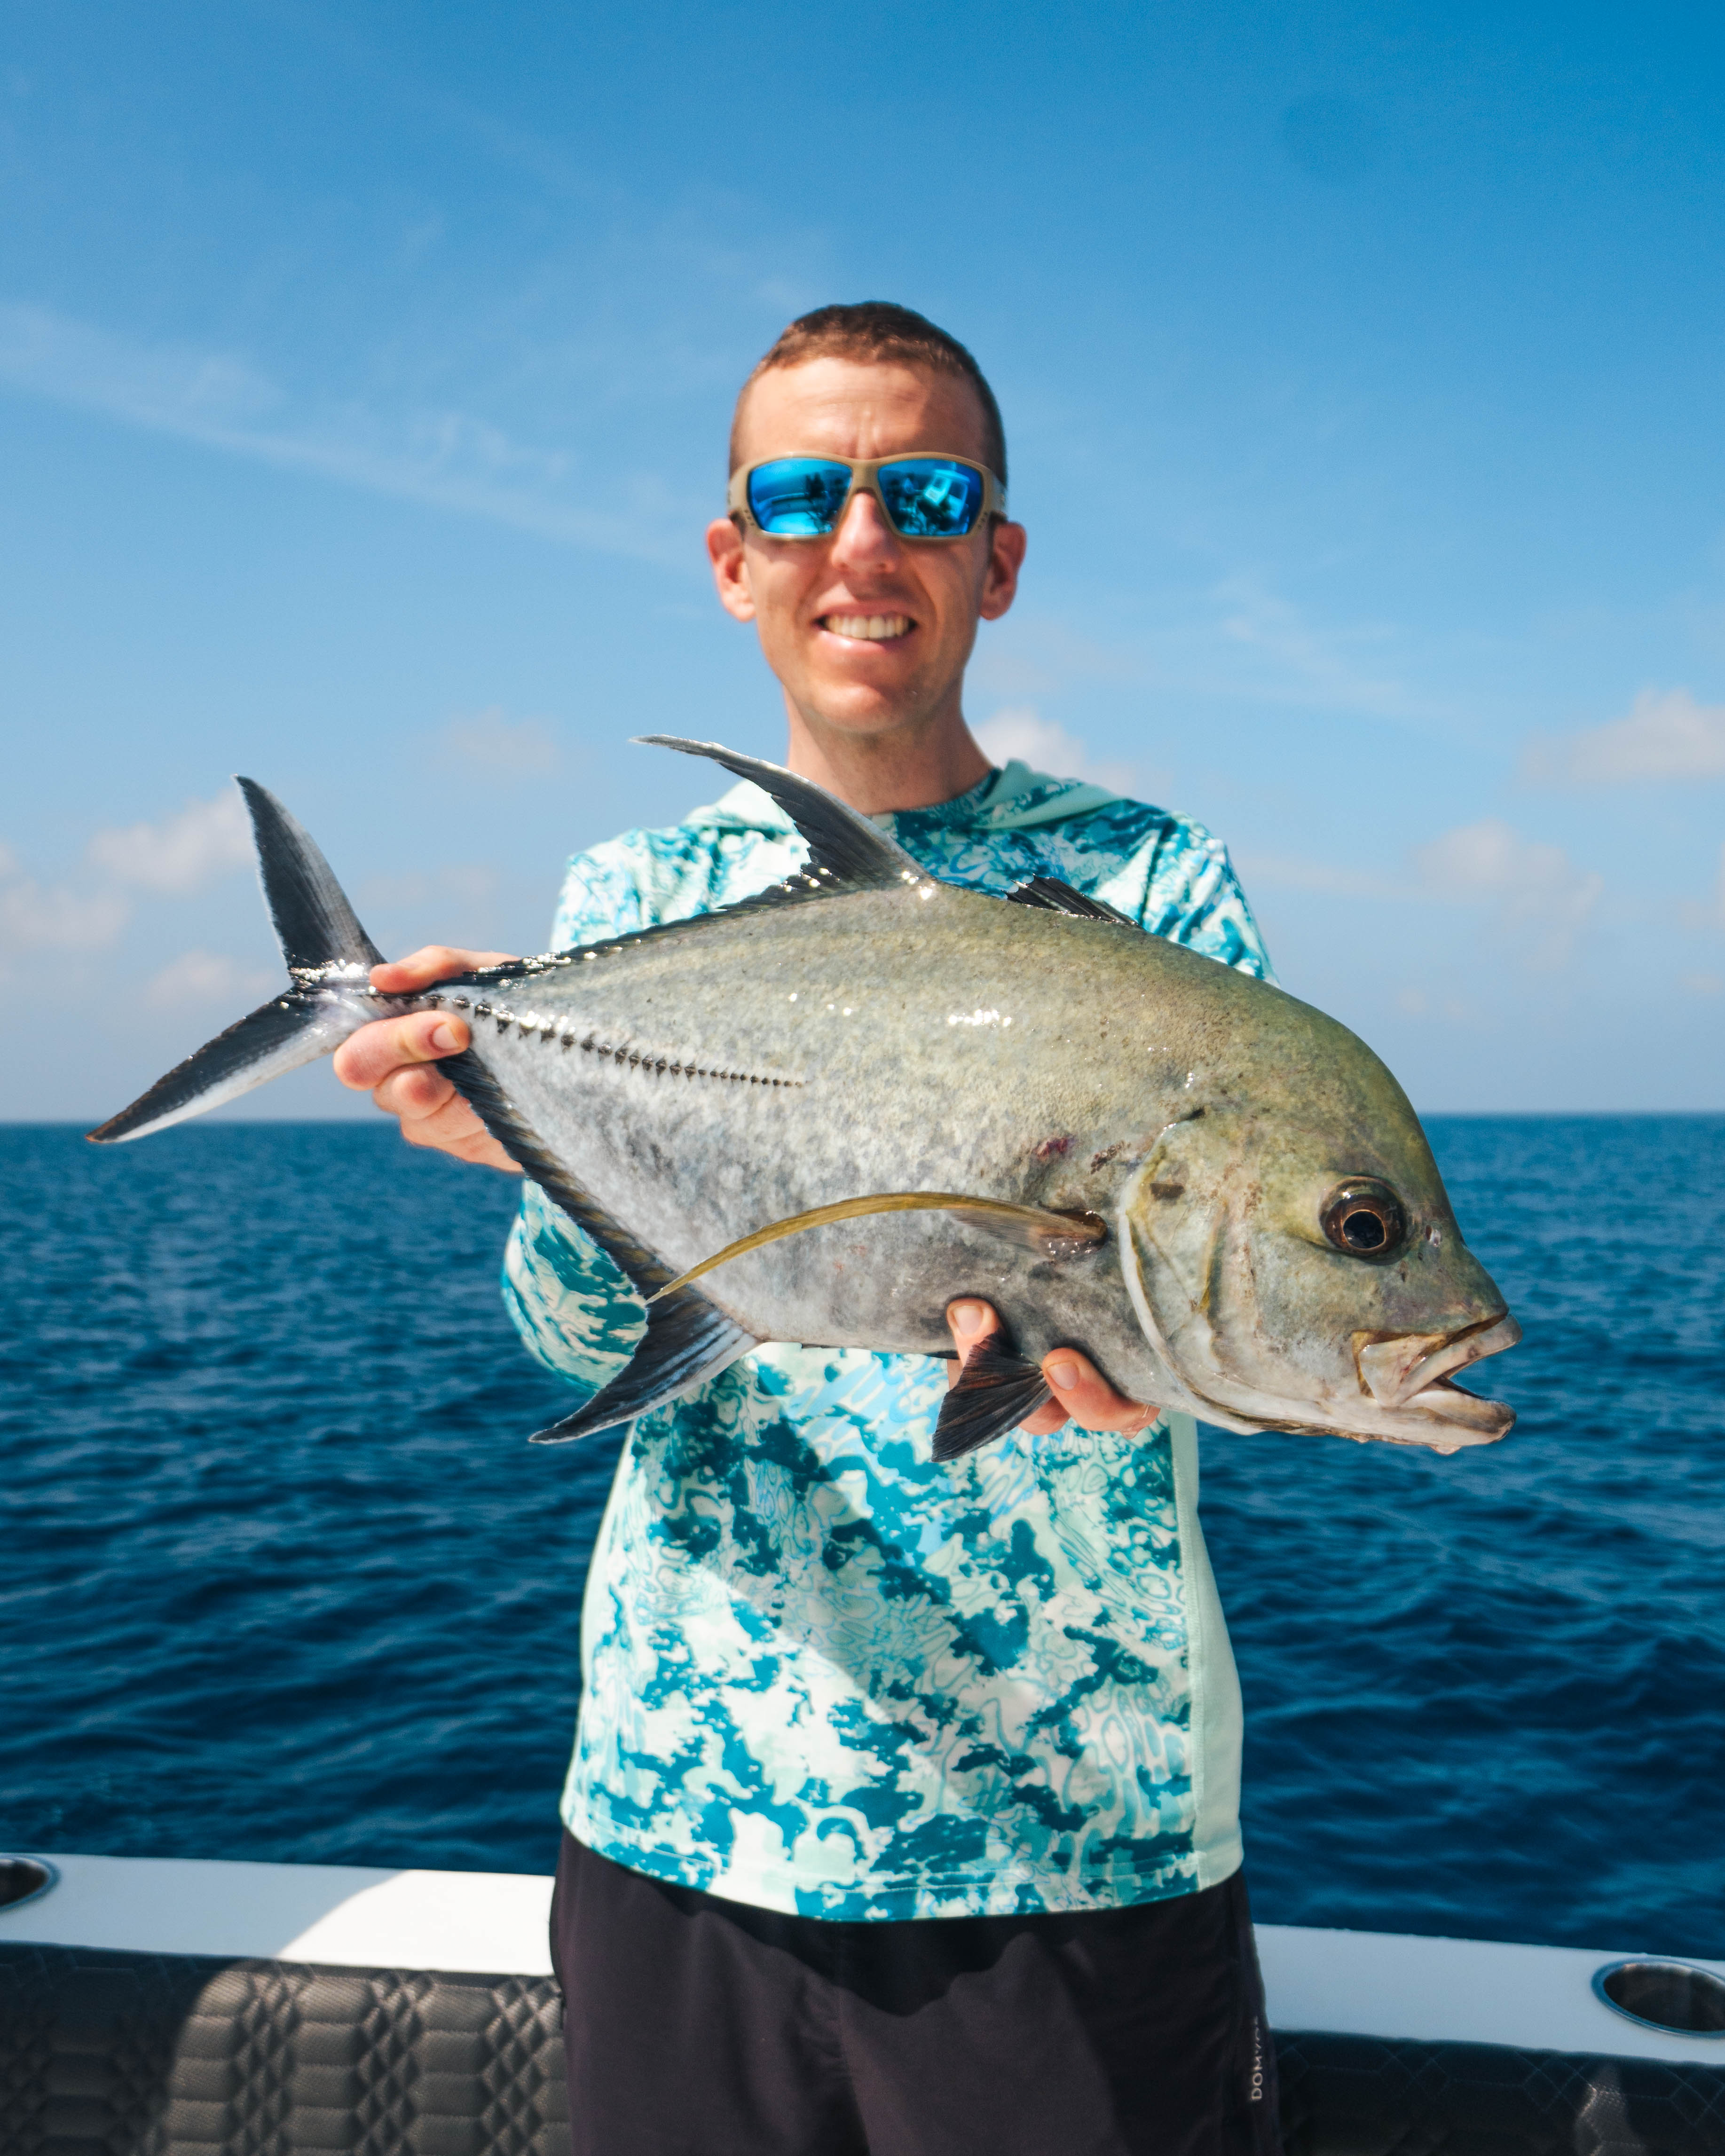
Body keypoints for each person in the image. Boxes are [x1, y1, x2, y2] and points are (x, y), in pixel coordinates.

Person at [333, 302, 1281, 2156]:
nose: (864, 542)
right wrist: (528, 1156)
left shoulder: (1153, 885)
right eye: (803, 492)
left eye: (924, 494)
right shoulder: (634, 897)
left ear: (996, 559)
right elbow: (585, 1343)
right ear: (734, 555)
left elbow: (1244, 1313)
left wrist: (1153, 1378)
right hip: (687, 1823)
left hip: (1070, 1840)